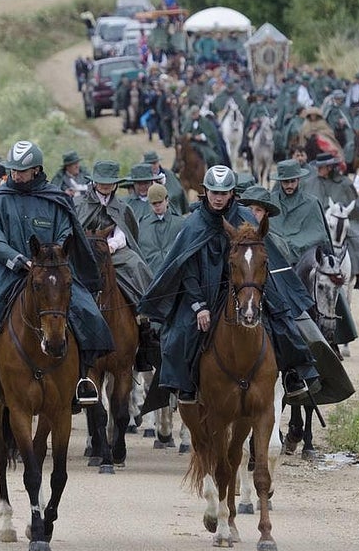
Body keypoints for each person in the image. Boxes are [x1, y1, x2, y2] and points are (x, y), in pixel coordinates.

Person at [0, 141, 112, 412]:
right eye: (12, 170)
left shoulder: (56, 199)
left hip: (49, 272)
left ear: (36, 169)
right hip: (3, 270)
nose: (15, 175)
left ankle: (82, 379)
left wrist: (49, 258)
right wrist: (20, 260)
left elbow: (64, 234)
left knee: (89, 314)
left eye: (21, 171)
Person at [139, 165, 319, 402]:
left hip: (245, 285)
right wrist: (198, 306)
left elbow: (257, 256)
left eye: (223, 193)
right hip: (203, 291)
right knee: (180, 331)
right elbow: (187, 269)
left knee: (281, 317)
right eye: (214, 192)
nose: (218, 197)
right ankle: (185, 385)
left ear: (232, 193)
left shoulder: (244, 217)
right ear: (205, 191)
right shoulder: (193, 224)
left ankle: (293, 373)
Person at [75, 161, 157, 373]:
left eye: (109, 183)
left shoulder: (122, 207)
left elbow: (124, 231)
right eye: (101, 182)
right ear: (94, 182)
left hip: (114, 252)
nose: (105, 186)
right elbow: (74, 230)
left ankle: (144, 320)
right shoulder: (80, 204)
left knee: (137, 263)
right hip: (86, 252)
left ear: (115, 185)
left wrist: (113, 244)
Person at [300, 153, 359, 282]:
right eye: (318, 167)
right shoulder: (309, 183)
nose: (318, 170)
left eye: (321, 167)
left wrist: (343, 217)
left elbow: (355, 210)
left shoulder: (345, 184)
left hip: (343, 220)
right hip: (315, 223)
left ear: (330, 168)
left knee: (356, 238)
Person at [268, 159, 331, 262]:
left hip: (306, 260)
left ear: (298, 180)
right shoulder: (270, 202)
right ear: (279, 181)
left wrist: (295, 244)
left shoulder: (312, 203)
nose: (289, 185)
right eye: (285, 182)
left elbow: (320, 234)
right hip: (275, 259)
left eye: (293, 181)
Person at [137, 183, 184, 274]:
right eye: (154, 203)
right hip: (150, 275)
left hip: (176, 274)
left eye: (160, 202)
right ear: (150, 204)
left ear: (167, 200)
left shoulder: (180, 223)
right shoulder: (142, 225)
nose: (157, 206)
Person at [143, 150, 187, 216]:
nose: (153, 166)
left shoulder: (169, 174)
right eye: (149, 164)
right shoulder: (142, 179)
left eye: (154, 163)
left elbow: (178, 190)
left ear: (158, 162)